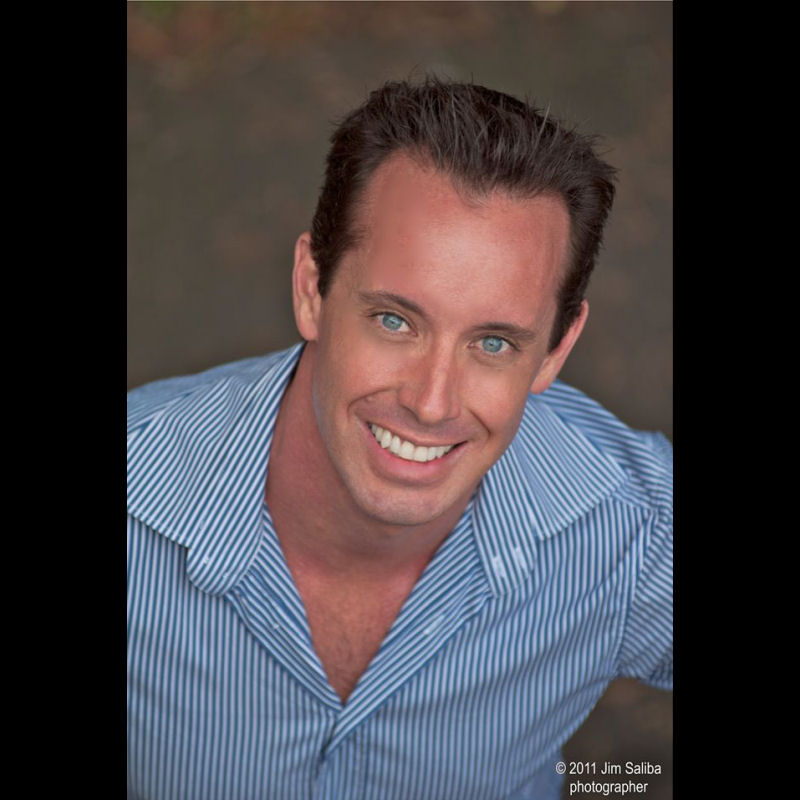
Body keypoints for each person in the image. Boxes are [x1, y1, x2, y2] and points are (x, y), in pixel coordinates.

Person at [127, 77, 672, 800]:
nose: (431, 402)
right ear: (311, 288)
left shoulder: (631, 528)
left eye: (494, 343)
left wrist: (619, 784)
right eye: (394, 321)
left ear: (556, 350)